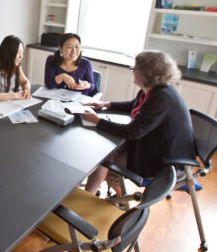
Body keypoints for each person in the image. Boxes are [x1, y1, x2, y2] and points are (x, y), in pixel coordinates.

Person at [82, 51, 196, 196]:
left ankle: (90, 197)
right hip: (151, 144)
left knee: (104, 157)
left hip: (163, 162)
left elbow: (132, 132)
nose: (132, 71)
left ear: (145, 74)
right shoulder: (154, 89)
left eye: (134, 68)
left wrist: (97, 120)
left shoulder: (161, 99)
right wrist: (106, 104)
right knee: (108, 150)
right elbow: (134, 105)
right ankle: (114, 195)